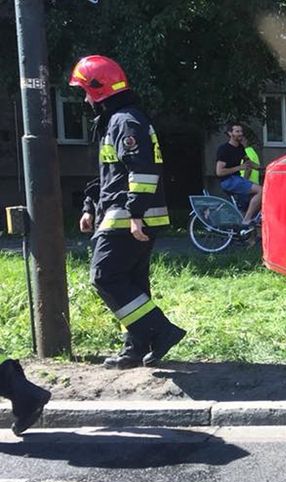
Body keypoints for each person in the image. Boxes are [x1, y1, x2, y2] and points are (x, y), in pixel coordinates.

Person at [70, 55, 186, 370]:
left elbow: (142, 171)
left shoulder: (125, 120)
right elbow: (111, 174)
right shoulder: (118, 119)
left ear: (99, 89)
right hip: (124, 214)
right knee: (131, 283)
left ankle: (161, 330)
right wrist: (89, 206)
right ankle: (136, 347)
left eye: (85, 90)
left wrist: (136, 214)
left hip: (129, 218)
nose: (84, 97)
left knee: (105, 276)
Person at [216, 123, 262, 225]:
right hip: (228, 181)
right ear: (230, 133)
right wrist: (239, 167)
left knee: (251, 203)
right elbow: (219, 172)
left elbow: (248, 162)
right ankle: (246, 220)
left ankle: (247, 234)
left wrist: (265, 168)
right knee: (261, 190)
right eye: (237, 131)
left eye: (241, 131)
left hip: (237, 179)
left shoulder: (240, 148)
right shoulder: (224, 149)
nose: (240, 133)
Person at [0, 352, 51, 436]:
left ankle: (31, 397)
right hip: (7, 364)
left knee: (12, 385)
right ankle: (32, 396)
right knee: (15, 387)